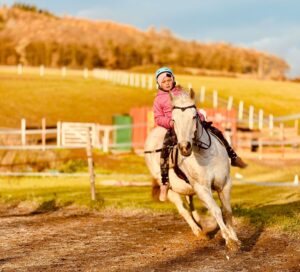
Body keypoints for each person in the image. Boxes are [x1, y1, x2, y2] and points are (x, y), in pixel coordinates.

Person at [153, 67, 247, 202]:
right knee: (165, 149)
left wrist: (200, 118)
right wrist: (170, 122)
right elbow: (157, 118)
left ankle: (233, 156)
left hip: (192, 124)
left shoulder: (182, 93)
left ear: (173, 79)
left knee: (217, 132)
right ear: (159, 84)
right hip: (175, 127)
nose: (167, 83)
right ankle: (165, 182)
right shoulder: (158, 100)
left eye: (169, 80)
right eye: (164, 82)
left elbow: (192, 109)